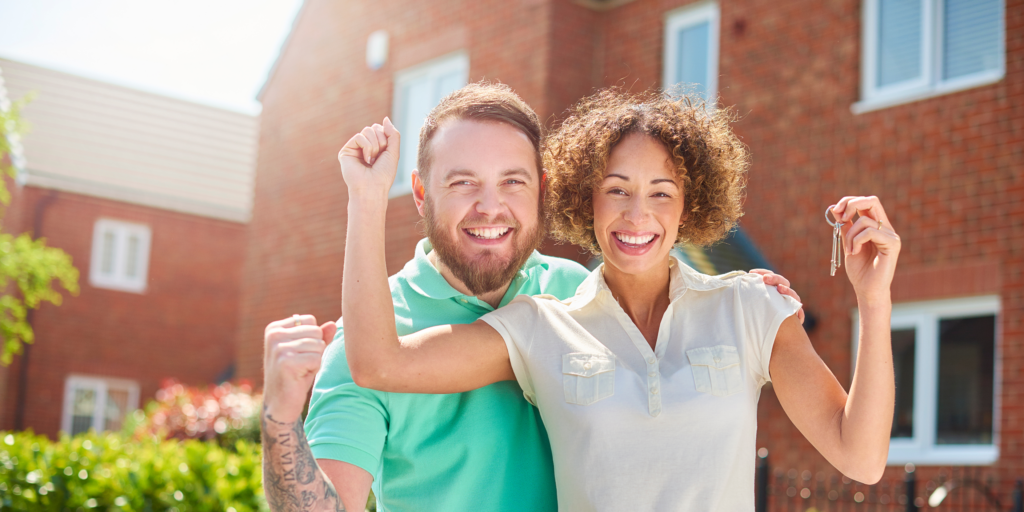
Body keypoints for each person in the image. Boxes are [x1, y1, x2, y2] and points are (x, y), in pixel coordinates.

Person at [340, 89, 900, 511]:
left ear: (690, 206)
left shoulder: (751, 309)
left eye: (661, 193)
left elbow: (863, 458)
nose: (638, 215)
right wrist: (367, 200)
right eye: (617, 190)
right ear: (588, 202)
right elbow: (378, 363)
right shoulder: (539, 325)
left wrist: (873, 302)